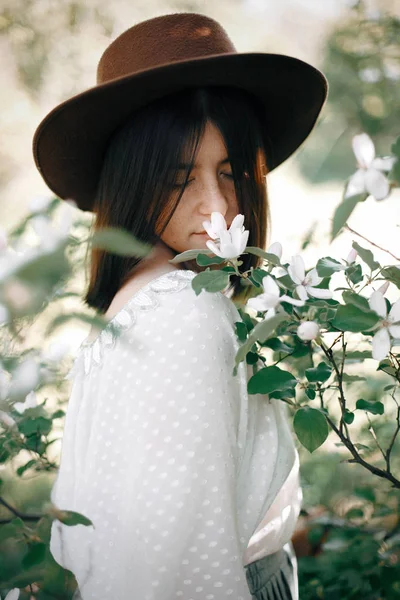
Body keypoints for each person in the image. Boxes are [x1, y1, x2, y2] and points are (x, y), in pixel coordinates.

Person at [32, 12, 328, 600]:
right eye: (177, 179)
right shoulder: (183, 312)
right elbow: (186, 570)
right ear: (132, 183)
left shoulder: (149, 292)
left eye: (232, 172)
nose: (216, 207)